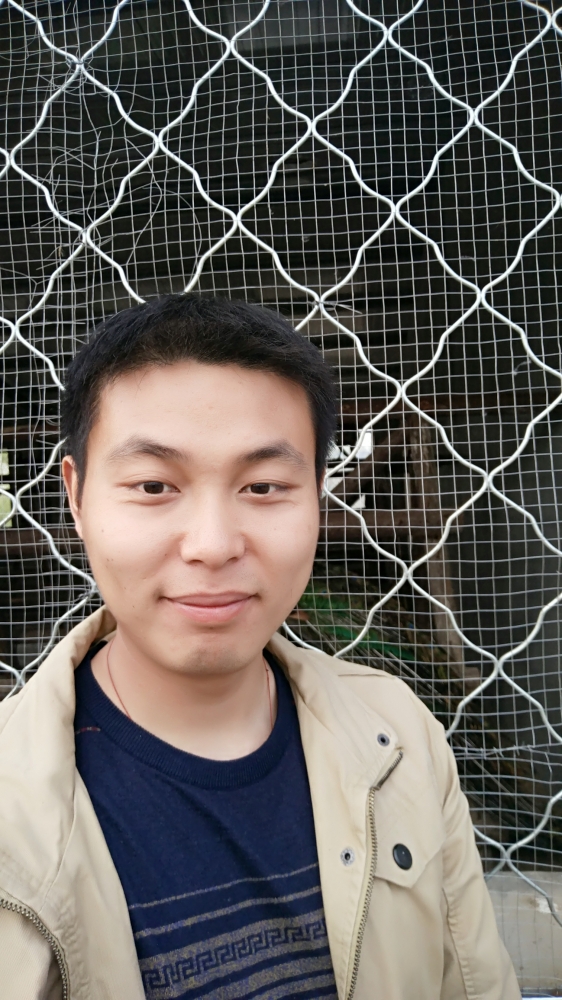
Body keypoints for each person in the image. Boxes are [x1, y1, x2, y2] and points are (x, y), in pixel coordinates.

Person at [0, 295, 519, 1000]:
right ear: (77, 496)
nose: (213, 545)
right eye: (153, 485)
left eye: (264, 486)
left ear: (318, 495)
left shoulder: (401, 736)